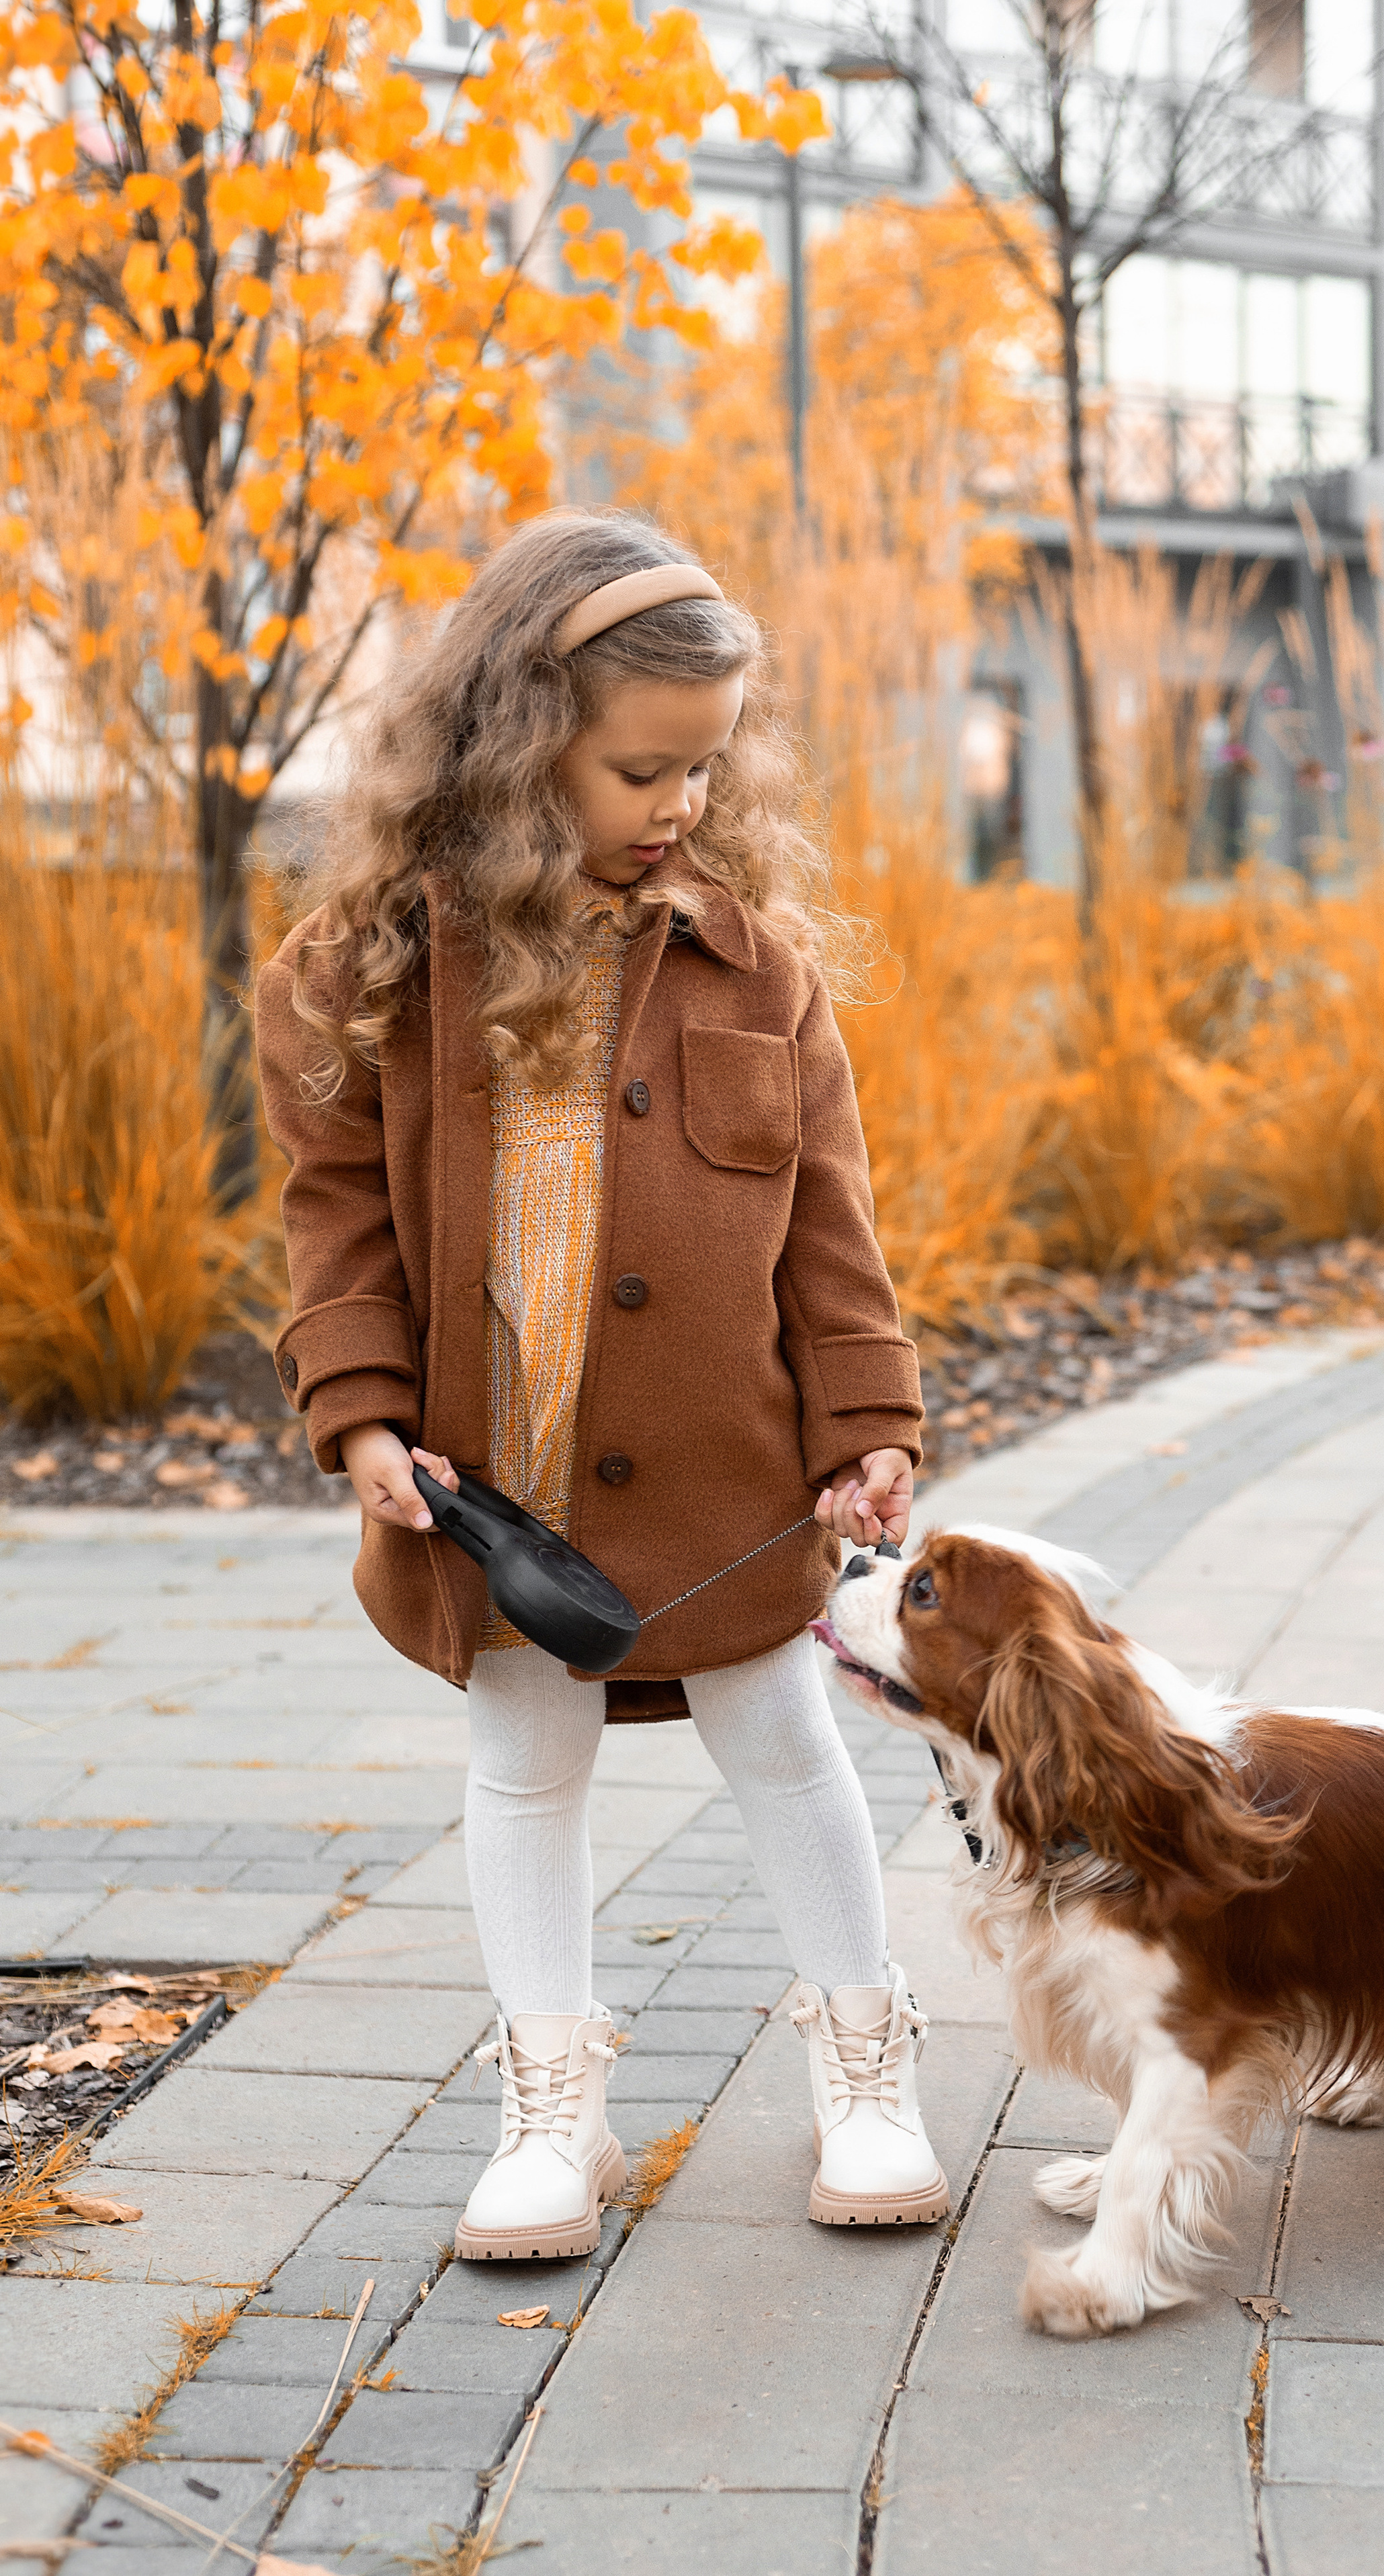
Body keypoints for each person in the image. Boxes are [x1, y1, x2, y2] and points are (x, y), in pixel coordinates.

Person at [255, 512, 949, 2262]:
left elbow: (831, 1229)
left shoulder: (755, 964)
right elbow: (332, 1222)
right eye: (646, 767)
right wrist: (361, 1415)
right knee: (526, 1755)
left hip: (727, 1462)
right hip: (505, 1477)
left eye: (712, 767)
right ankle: (548, 2096)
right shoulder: (367, 973)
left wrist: (868, 1426)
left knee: (785, 1737)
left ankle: (867, 2058)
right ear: (516, 744)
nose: (685, 803)